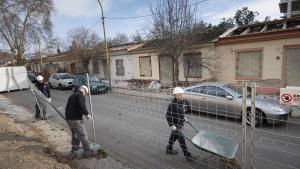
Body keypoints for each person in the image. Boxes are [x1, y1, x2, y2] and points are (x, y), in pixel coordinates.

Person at [166, 87, 194, 162]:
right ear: (175, 95)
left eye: (182, 94)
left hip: (180, 124)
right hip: (176, 125)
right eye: (180, 94)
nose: (182, 96)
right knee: (182, 140)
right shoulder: (172, 104)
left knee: (174, 136)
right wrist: (172, 125)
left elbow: (181, 112)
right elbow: (168, 115)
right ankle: (187, 155)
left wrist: (184, 117)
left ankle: (169, 148)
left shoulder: (181, 102)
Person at [65, 85, 92, 158]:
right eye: (85, 93)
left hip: (69, 119)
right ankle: (87, 152)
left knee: (75, 135)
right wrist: (87, 114)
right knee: (83, 135)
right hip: (76, 119)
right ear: (83, 90)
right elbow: (82, 105)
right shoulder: (80, 95)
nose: (85, 95)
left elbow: (67, 107)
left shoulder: (72, 95)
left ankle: (74, 149)